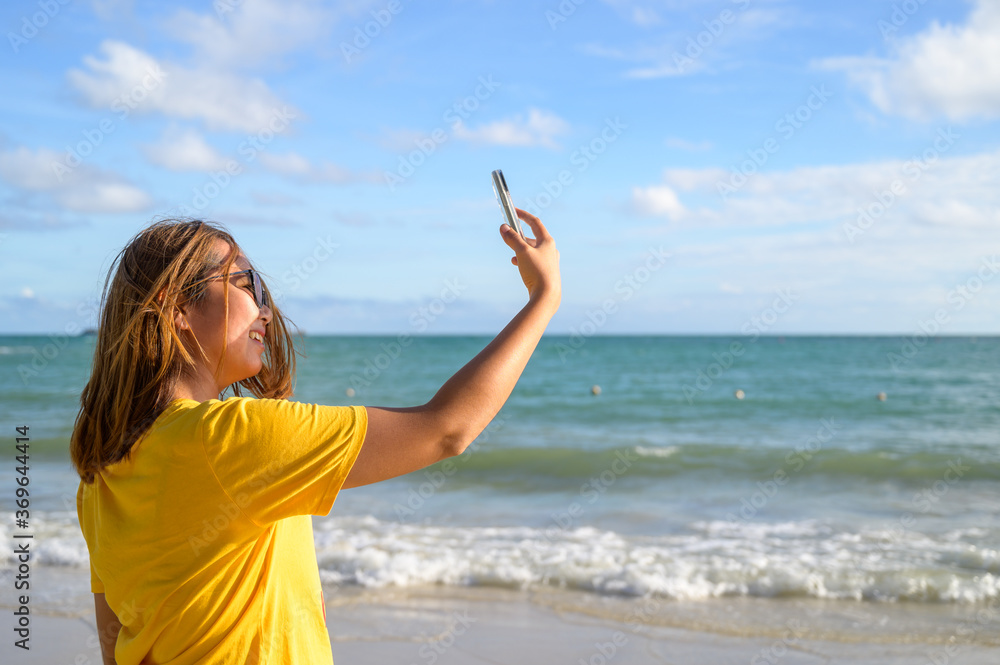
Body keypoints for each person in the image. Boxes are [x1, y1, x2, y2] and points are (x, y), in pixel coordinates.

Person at [71, 210, 560, 665]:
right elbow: (446, 429)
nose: (265, 310)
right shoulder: (230, 436)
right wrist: (545, 297)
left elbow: (114, 640)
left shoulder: (101, 476)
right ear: (176, 305)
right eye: (247, 283)